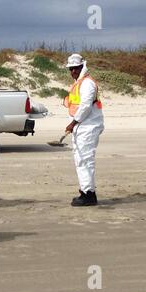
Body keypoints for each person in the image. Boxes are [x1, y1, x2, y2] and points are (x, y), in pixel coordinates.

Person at [64, 54, 104, 206]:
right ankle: (85, 190)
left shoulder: (87, 83)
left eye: (75, 68)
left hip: (88, 126)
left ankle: (89, 195)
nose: (72, 71)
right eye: (71, 69)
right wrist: (74, 124)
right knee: (80, 160)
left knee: (85, 160)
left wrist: (73, 123)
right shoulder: (79, 83)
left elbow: (86, 106)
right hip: (81, 127)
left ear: (82, 67)